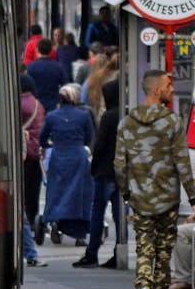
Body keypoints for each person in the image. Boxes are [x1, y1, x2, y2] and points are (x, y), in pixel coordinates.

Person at [115, 70, 195, 289]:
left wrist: (127, 194)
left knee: (144, 248)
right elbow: (182, 163)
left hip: (140, 199)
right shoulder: (172, 122)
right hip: (167, 200)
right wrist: (194, 199)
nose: (172, 89)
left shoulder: (127, 123)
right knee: (163, 253)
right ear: (156, 90)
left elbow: (119, 165)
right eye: (168, 85)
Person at [75, 79, 124, 269]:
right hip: (121, 172)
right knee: (119, 214)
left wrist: (93, 167)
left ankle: (92, 252)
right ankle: (118, 251)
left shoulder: (109, 116)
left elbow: (100, 144)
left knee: (97, 212)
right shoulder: (125, 114)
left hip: (105, 170)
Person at [38, 84, 94, 246]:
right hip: (78, 157)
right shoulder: (83, 116)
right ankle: (80, 233)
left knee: (57, 190)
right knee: (79, 193)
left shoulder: (52, 116)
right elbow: (88, 137)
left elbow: (43, 138)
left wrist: (50, 144)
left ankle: (56, 219)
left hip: (59, 156)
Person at [19, 74, 45, 269]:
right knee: (32, 193)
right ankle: (33, 215)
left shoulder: (17, 104)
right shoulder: (37, 104)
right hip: (34, 154)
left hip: (21, 154)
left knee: (19, 203)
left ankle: (29, 250)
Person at [25, 38, 66, 115]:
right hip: (53, 106)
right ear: (51, 51)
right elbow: (65, 86)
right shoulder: (59, 67)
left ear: (37, 50)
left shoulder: (30, 67)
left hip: (35, 107)